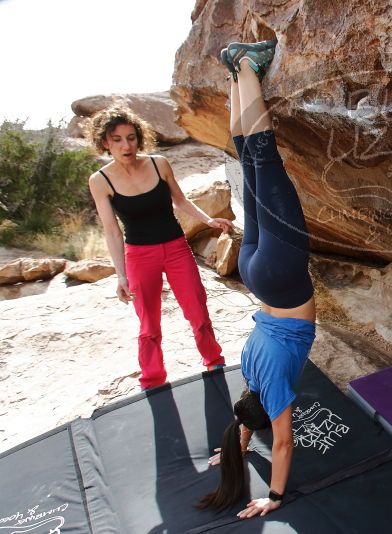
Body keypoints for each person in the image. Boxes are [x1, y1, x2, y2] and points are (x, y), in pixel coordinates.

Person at [198, 39, 316, 519]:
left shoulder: (276, 391)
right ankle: (233, 78)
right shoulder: (248, 370)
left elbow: (283, 443)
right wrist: (235, 443)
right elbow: (246, 413)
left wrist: (275, 497)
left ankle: (246, 63)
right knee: (248, 162)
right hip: (253, 273)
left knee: (265, 161)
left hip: (283, 278)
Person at [87, 106, 234, 390]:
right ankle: (153, 381)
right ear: (105, 142)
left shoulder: (158, 164)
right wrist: (121, 275)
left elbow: (180, 200)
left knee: (198, 311)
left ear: (139, 137)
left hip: (177, 248)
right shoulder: (100, 181)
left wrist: (207, 219)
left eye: (131, 137)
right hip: (140, 257)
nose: (126, 145)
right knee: (149, 325)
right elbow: (112, 231)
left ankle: (214, 361)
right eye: (116, 139)